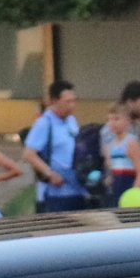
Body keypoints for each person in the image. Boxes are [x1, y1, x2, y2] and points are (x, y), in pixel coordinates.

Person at [22, 80, 89, 212]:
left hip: (76, 187)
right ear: (54, 101)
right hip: (57, 191)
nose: (72, 106)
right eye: (67, 102)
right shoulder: (44, 123)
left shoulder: (71, 120)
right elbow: (29, 154)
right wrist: (49, 174)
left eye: (73, 101)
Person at [98, 102, 140, 204]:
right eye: (109, 120)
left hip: (128, 184)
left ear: (127, 121)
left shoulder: (131, 142)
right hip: (115, 189)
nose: (112, 123)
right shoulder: (110, 145)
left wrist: (134, 192)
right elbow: (111, 169)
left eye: (116, 119)